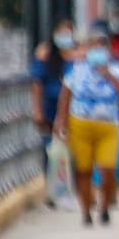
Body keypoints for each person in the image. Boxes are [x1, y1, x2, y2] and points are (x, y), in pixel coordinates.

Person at [52, 30, 119, 227]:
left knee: (108, 169)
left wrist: (109, 76)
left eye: (101, 47)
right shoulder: (77, 70)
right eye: (94, 47)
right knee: (84, 170)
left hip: (108, 125)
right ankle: (86, 210)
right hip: (81, 124)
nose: (97, 51)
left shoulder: (117, 70)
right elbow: (66, 95)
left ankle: (105, 206)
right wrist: (61, 122)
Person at [31, 19, 79, 205]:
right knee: (51, 151)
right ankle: (52, 189)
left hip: (73, 113)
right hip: (50, 111)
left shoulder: (77, 59)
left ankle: (69, 189)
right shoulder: (46, 57)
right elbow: (37, 84)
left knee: (72, 152)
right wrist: (38, 111)